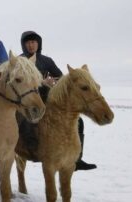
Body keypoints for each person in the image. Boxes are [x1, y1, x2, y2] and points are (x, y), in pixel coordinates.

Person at [20, 30, 96, 171]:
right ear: (24, 45)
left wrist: (52, 81)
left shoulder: (47, 61)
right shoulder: (20, 61)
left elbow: (61, 78)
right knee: (27, 121)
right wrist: (41, 81)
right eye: (28, 42)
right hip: (28, 101)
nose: (31, 45)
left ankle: (77, 159)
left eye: (34, 42)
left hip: (48, 100)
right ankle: (29, 150)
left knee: (78, 121)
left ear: (38, 44)